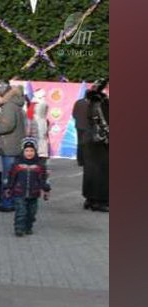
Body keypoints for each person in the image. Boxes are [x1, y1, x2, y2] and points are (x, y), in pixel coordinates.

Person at [0, 81, 27, 212]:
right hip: (15, 145)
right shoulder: (14, 104)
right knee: (14, 176)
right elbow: (6, 121)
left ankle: (8, 203)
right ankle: (14, 201)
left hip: (9, 146)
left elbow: (7, 126)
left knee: (8, 177)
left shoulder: (9, 106)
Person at [73, 79, 109, 212]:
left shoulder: (90, 102)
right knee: (101, 171)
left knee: (91, 171)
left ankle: (90, 199)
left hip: (90, 139)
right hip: (99, 141)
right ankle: (99, 201)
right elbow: (103, 123)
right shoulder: (100, 103)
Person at [5, 138, 51, 236]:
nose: (29, 153)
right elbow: (11, 177)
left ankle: (28, 227)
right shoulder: (17, 165)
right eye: (27, 151)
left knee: (31, 213)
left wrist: (46, 189)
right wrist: (8, 188)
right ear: (23, 151)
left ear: (35, 151)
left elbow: (43, 179)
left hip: (34, 193)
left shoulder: (39, 166)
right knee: (21, 212)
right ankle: (19, 228)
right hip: (19, 193)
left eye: (31, 151)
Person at [27, 88, 50, 162]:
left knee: (39, 139)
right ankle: (41, 155)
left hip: (37, 123)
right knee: (41, 139)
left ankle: (39, 155)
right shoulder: (43, 103)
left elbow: (30, 115)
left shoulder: (36, 103)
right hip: (40, 123)